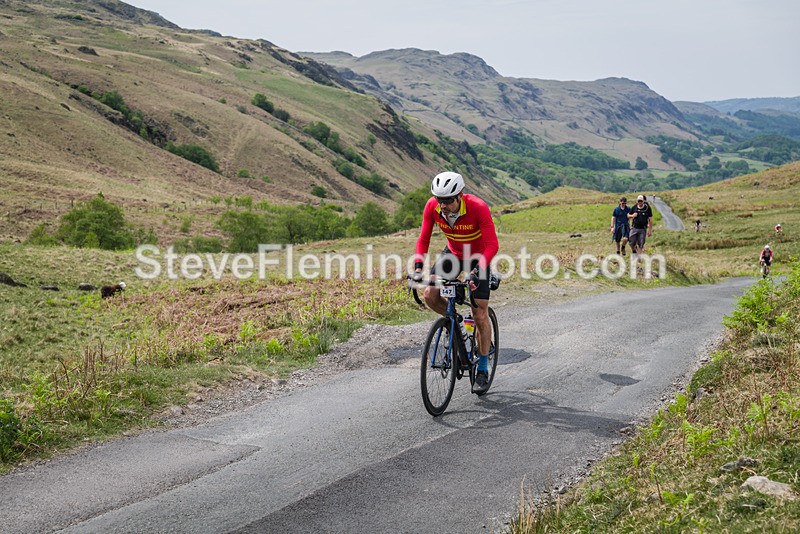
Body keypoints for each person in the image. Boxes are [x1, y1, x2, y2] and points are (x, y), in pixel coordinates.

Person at [413, 171, 499, 393]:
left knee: (479, 313)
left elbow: (492, 245)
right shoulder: (432, 207)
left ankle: (482, 368)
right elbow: (424, 238)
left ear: (460, 195)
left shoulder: (478, 207)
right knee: (430, 294)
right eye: (439, 200)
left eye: (448, 200)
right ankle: (455, 323)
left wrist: (477, 271)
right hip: (452, 253)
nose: (443, 205)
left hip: (478, 256)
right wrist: (418, 268)